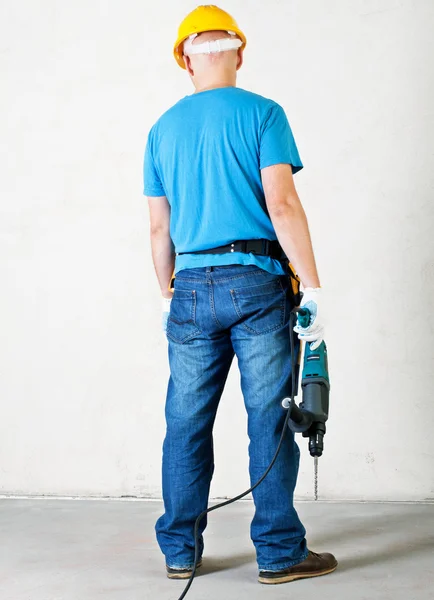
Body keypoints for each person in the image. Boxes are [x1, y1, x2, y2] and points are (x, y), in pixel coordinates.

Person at [144, 5, 337, 586]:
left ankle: (181, 551)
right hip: (256, 283)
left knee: (185, 421)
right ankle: (278, 554)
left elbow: (159, 228)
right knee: (269, 419)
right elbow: (282, 205)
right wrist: (316, 287)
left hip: (191, 289)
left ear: (185, 61)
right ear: (239, 53)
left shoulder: (162, 129)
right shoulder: (263, 113)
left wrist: (165, 294)